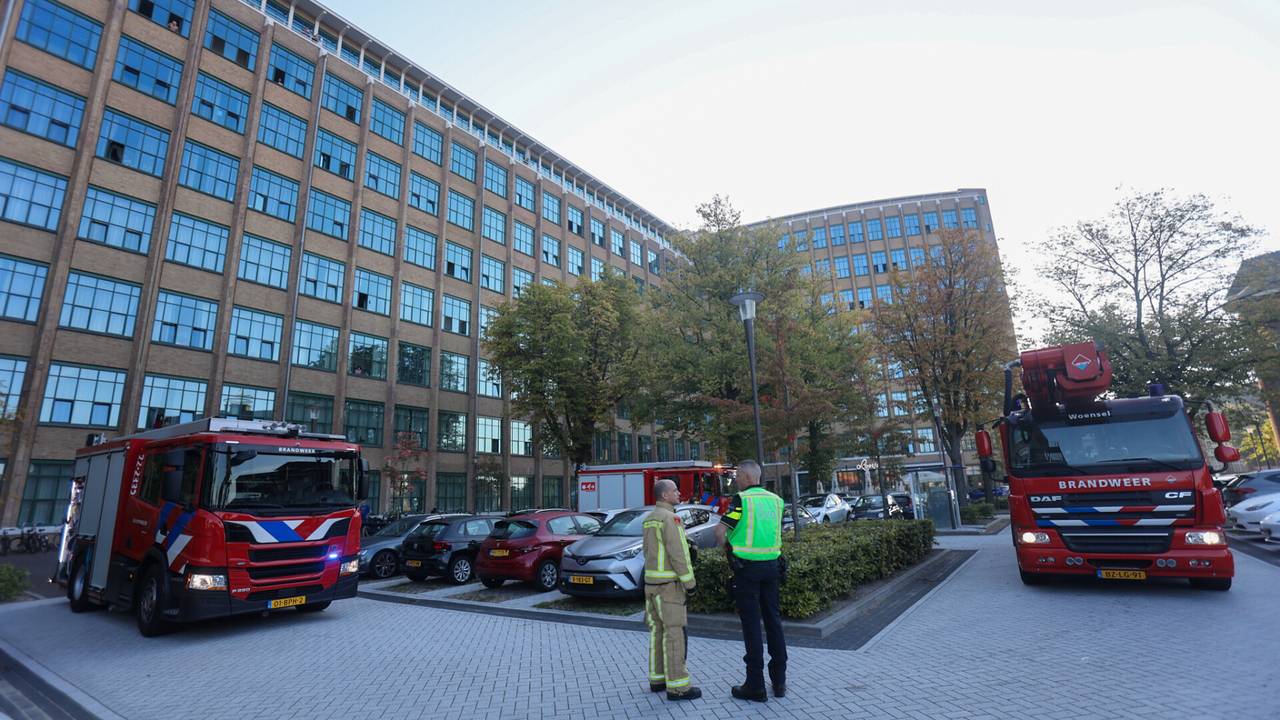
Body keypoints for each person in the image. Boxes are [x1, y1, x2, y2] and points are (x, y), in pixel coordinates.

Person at [715, 459, 787, 702]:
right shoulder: (777, 501)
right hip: (773, 567)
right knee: (774, 621)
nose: (735, 480)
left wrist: (728, 551)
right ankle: (779, 681)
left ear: (746, 477)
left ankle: (755, 685)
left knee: (752, 625)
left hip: (747, 570)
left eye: (737, 477)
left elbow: (720, 530)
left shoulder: (742, 500)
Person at [642, 479, 701, 701]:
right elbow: (679, 555)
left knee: (657, 633)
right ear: (665, 495)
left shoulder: (649, 520)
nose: (679, 493)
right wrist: (690, 584)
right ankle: (678, 687)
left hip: (651, 586)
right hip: (669, 588)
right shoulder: (671, 518)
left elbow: (648, 552)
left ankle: (657, 680)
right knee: (675, 634)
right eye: (675, 490)